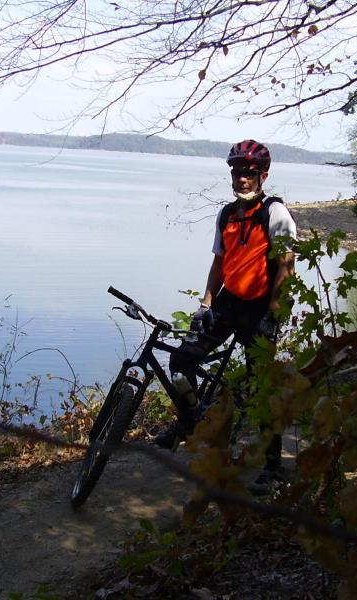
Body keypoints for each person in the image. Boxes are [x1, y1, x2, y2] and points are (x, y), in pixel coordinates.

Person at [156, 139, 297, 495]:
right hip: (228, 303)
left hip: (261, 309)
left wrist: (274, 315)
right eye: (237, 172)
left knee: (261, 387)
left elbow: (286, 266)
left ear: (263, 176)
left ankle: (274, 468)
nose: (242, 179)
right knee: (181, 359)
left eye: (249, 173)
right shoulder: (227, 214)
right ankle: (189, 423)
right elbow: (219, 263)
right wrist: (205, 305)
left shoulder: (275, 213)